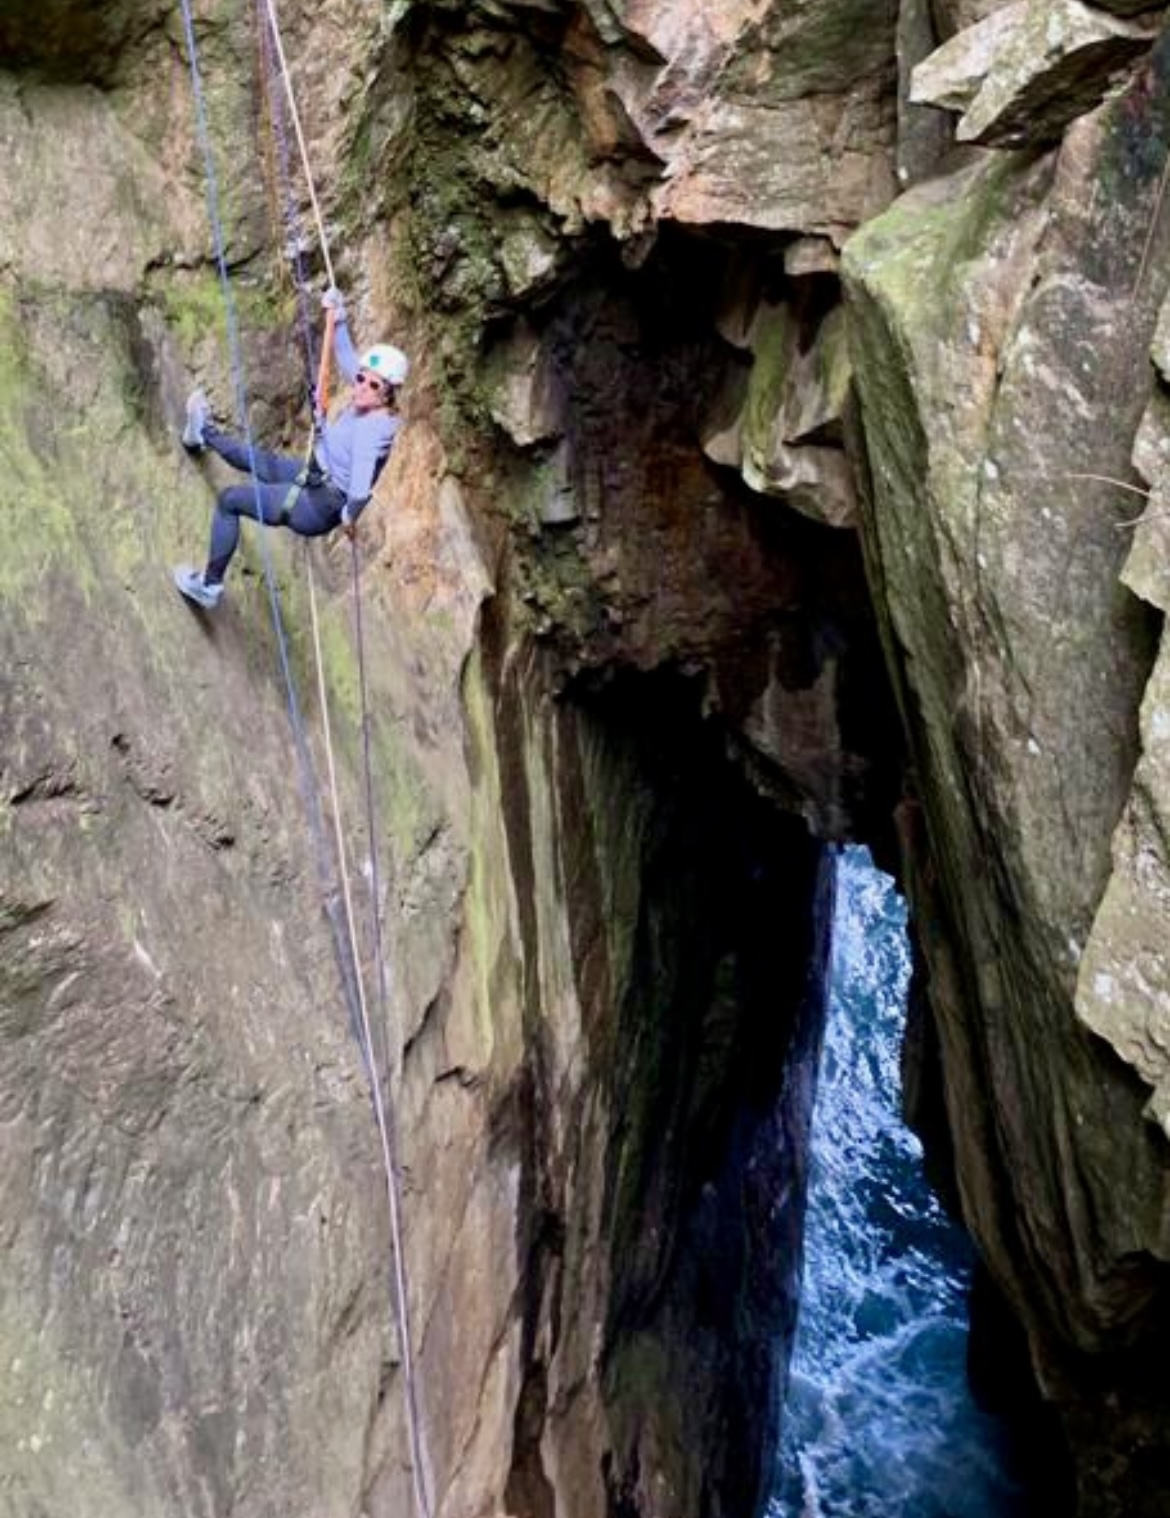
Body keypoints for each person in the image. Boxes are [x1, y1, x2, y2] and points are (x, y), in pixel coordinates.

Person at [173, 288, 408, 609]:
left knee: (230, 502)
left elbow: (359, 490)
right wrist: (337, 316)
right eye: (362, 379)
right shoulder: (367, 397)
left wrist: (347, 517)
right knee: (256, 460)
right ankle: (202, 434)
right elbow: (346, 357)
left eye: (373, 385)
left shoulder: (373, 432)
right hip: (312, 474)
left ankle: (209, 587)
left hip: (315, 505)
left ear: (389, 394)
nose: (362, 387)